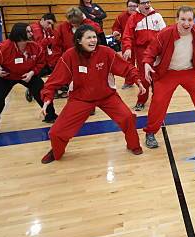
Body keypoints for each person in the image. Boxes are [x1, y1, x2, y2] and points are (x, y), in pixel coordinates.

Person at [40, 25, 145, 163]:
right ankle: (56, 150)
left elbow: (126, 68)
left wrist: (138, 80)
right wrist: (47, 98)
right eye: (88, 37)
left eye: (94, 37)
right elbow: (54, 80)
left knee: (128, 117)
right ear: (79, 40)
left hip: (107, 96)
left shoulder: (106, 52)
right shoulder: (69, 56)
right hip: (80, 99)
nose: (93, 40)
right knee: (56, 132)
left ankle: (133, 145)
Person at [142, 6, 195, 148]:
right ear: (177, 19)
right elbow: (151, 50)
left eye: (190, 19)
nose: (186, 23)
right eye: (183, 19)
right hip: (168, 73)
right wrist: (147, 63)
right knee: (158, 102)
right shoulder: (165, 34)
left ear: (194, 20)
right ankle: (150, 132)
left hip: (189, 71)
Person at [0, 23, 58, 139]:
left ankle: (51, 116)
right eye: (28, 32)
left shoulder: (35, 47)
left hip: (27, 75)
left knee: (43, 92)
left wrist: (32, 72)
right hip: (6, 77)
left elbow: (41, 62)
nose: (31, 34)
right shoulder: (3, 48)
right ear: (19, 34)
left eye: (31, 31)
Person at [122, 0, 167, 111]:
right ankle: (141, 100)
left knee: (157, 77)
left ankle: (157, 100)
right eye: (143, 3)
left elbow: (165, 34)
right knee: (144, 77)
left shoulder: (157, 16)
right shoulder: (133, 18)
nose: (147, 5)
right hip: (141, 51)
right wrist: (127, 48)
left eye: (148, 2)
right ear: (138, 5)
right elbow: (127, 35)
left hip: (156, 51)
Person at [112, 0, 139, 88]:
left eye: (134, 6)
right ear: (127, 7)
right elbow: (116, 27)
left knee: (142, 63)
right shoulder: (121, 17)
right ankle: (129, 82)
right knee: (128, 63)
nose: (132, 8)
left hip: (140, 43)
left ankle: (144, 81)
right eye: (130, 6)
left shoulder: (142, 16)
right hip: (126, 43)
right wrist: (116, 32)